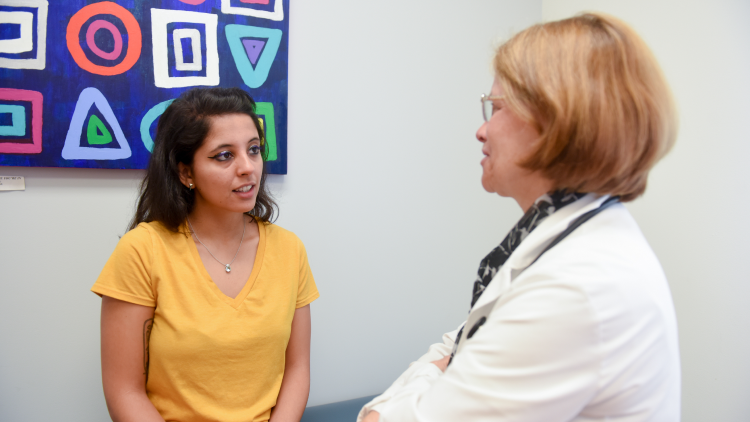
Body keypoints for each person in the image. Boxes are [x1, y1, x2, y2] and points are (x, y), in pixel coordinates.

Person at [359, 13, 680, 422]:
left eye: (495, 108)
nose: (482, 131)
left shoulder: (578, 285)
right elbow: (459, 343)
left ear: (555, 120)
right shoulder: (560, 237)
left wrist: (427, 379)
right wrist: (444, 368)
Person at [92, 87, 319, 422]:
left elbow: (297, 369)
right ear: (186, 172)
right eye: (224, 155)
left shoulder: (289, 249)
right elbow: (125, 392)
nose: (247, 168)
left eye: (254, 150)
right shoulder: (142, 250)